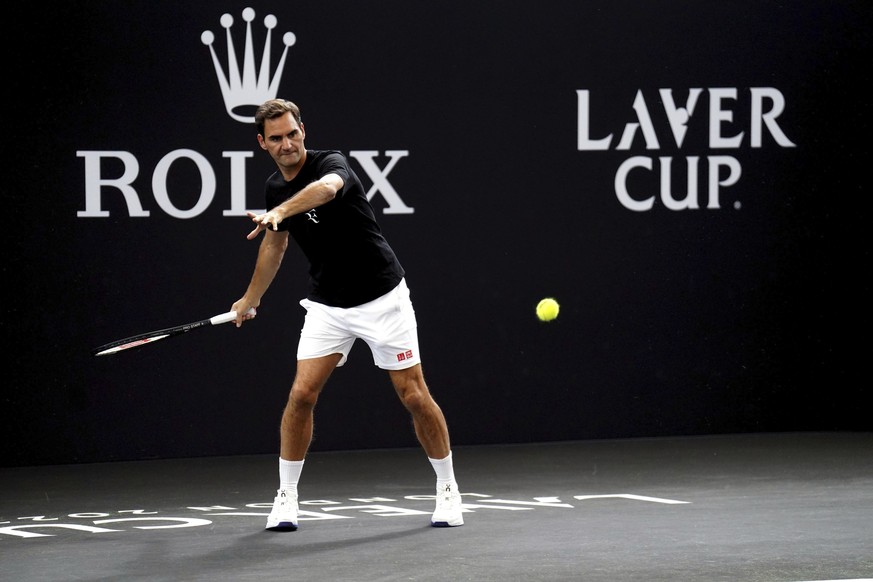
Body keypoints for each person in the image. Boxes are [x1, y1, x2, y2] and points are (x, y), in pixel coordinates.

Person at [230, 98, 464, 531]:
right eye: (276, 138)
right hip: (328, 306)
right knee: (301, 395)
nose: (287, 144)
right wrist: (250, 298)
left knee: (413, 395)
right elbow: (275, 245)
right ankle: (286, 496)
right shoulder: (273, 188)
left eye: (293, 133)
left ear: (304, 129)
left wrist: (281, 211)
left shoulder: (331, 163)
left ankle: (448, 488)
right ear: (262, 143)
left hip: (382, 297)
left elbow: (327, 190)